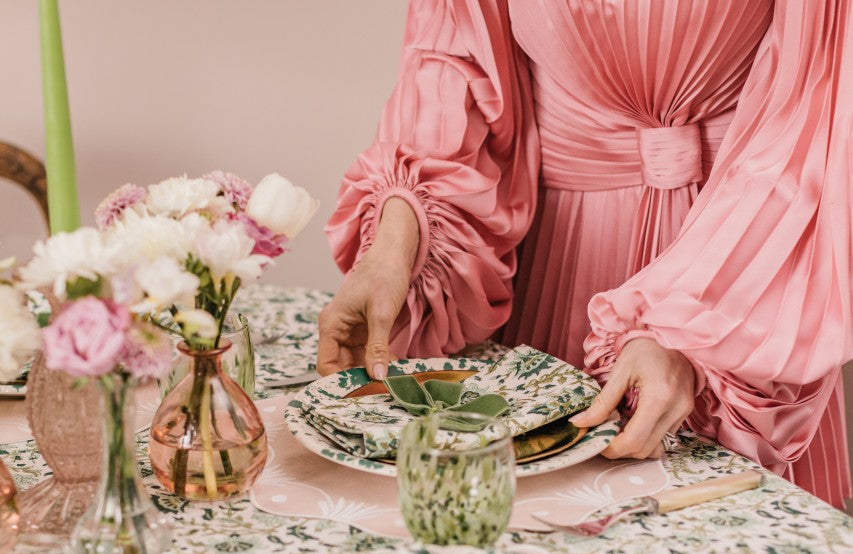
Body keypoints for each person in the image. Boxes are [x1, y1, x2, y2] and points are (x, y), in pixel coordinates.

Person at [317, 0, 853, 509]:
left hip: (743, 267)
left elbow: (818, 111)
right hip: (559, 266)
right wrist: (394, 244)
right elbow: (451, 60)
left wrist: (695, 325)